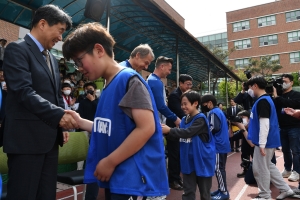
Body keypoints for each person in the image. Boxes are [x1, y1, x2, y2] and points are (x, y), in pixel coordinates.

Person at [62, 22, 169, 200]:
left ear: (98, 50)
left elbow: (146, 128)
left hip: (131, 179)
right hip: (119, 176)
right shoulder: (109, 83)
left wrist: (110, 161)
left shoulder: (129, 80)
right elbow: (109, 126)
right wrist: (80, 121)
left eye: (80, 60)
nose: (78, 68)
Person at [0, 5, 77, 200]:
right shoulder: (17, 49)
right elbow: (23, 92)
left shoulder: (51, 57)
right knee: (23, 195)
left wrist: (63, 125)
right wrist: (59, 116)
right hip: (25, 141)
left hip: (49, 141)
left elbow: (55, 94)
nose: (61, 38)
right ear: (42, 24)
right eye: (60, 31)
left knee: (46, 195)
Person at [246, 76, 294, 200]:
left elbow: (265, 124)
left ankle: (265, 195)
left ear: (255, 86)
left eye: (250, 87)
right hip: (268, 141)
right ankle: (286, 189)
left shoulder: (263, 101)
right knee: (269, 166)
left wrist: (262, 144)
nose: (249, 90)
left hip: (265, 142)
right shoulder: (264, 100)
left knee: (260, 169)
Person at [162, 91, 216, 200]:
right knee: (188, 193)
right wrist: (165, 132)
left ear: (195, 103)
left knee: (205, 194)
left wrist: (170, 130)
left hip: (202, 161)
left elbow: (187, 132)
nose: (183, 107)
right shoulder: (183, 120)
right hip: (188, 161)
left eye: (185, 103)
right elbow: (179, 135)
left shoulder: (200, 119)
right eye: (181, 104)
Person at [165, 74, 193, 190]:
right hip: (172, 130)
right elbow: (180, 112)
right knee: (174, 155)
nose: (189, 87)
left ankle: (177, 178)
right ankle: (173, 180)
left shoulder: (186, 96)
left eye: (191, 84)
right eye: (187, 84)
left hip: (181, 129)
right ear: (180, 83)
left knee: (179, 154)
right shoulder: (174, 96)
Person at [201, 94, 230, 200]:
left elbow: (214, 127)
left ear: (209, 103)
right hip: (222, 144)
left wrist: (204, 133)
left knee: (218, 169)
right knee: (220, 168)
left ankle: (224, 192)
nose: (204, 107)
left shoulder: (213, 112)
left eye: (204, 105)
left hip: (218, 145)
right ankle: (221, 189)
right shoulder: (219, 112)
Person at [273, 74, 300, 182]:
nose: (283, 83)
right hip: (282, 127)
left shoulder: (296, 94)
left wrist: (277, 97)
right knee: (285, 150)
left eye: (285, 81)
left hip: (294, 127)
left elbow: (291, 103)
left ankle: (297, 171)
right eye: (282, 81)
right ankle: (287, 169)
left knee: (296, 151)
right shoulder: (278, 95)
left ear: (291, 82)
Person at [147, 56, 181, 126]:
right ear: (162, 66)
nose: (169, 72)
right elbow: (161, 106)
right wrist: (175, 119)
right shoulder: (155, 81)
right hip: (155, 122)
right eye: (169, 69)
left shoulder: (151, 79)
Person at [229, 110, 254, 178]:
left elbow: (252, 143)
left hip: (255, 151)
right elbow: (231, 137)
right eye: (239, 118)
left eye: (242, 117)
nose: (241, 119)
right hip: (246, 151)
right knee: (244, 152)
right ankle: (245, 170)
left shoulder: (253, 128)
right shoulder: (242, 130)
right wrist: (230, 125)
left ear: (249, 118)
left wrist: (243, 129)